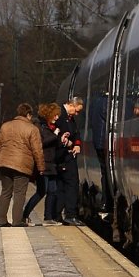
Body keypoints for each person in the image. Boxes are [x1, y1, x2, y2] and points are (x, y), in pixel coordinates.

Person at [0, 103, 45, 227]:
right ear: (28, 115)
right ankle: (17, 221)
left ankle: (2, 221)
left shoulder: (5, 126)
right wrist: (41, 167)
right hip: (22, 165)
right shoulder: (32, 129)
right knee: (19, 193)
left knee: (6, 192)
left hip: (4, 164)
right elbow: (37, 150)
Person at [22, 102, 64, 225]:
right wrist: (55, 135)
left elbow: (53, 144)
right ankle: (25, 215)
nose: (57, 118)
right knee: (41, 192)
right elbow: (42, 142)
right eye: (55, 115)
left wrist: (61, 140)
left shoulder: (49, 127)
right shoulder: (39, 127)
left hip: (51, 163)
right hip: (43, 163)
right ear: (49, 114)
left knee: (53, 191)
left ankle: (48, 217)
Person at [56, 96, 84, 225]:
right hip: (64, 155)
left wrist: (77, 144)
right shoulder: (60, 116)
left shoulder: (70, 118)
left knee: (63, 185)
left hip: (67, 154)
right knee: (72, 184)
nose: (77, 114)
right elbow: (56, 135)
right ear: (72, 105)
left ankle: (58, 214)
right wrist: (68, 143)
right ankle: (70, 214)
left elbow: (76, 133)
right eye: (77, 110)